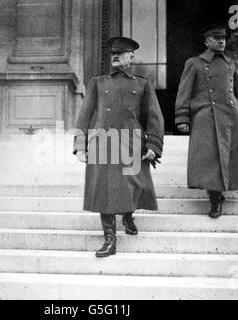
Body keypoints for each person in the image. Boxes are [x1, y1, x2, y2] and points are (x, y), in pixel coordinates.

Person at [73, 36, 164, 258]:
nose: (115, 56)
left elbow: (154, 117)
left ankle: (128, 216)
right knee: (104, 190)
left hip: (131, 141)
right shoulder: (98, 82)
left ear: (131, 57)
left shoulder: (142, 84)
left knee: (131, 186)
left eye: (121, 53)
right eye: (113, 53)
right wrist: (81, 145)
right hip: (102, 140)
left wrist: (153, 144)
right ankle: (110, 239)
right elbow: (84, 116)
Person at [175, 24, 238, 219]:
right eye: (216, 38)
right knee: (210, 160)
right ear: (206, 42)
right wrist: (182, 116)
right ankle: (215, 199)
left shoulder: (232, 63)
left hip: (230, 117)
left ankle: (219, 194)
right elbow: (184, 91)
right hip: (205, 116)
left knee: (227, 159)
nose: (221, 41)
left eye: (223, 39)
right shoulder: (194, 63)